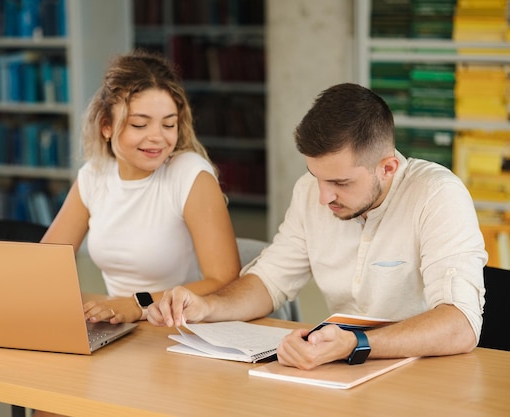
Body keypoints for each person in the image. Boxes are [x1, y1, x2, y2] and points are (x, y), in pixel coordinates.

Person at [148, 83, 488, 371]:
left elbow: (461, 324)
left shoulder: (437, 195)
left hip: (431, 373)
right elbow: (269, 281)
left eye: (340, 182)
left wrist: (355, 344)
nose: (324, 197)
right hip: (346, 373)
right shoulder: (310, 192)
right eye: (317, 177)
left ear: (388, 167)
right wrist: (209, 307)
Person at [40, 49, 241, 325]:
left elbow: (225, 282)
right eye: (139, 124)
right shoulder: (94, 176)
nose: (157, 137)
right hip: (120, 327)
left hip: (183, 328)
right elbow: (45, 263)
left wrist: (138, 304)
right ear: (106, 126)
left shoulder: (189, 174)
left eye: (169, 124)